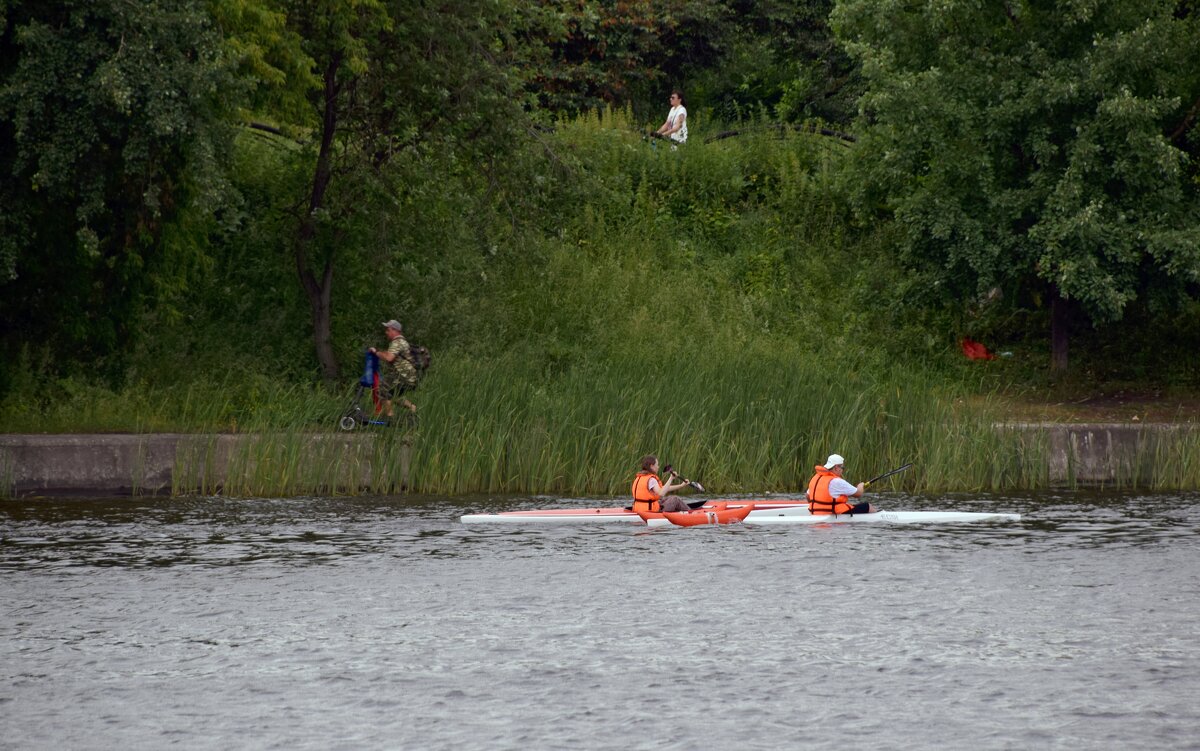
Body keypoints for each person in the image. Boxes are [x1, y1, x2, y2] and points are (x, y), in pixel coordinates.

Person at [368, 319, 418, 418]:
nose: (386, 332)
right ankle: (412, 407)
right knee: (394, 395)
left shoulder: (397, 342)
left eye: (388, 330)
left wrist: (376, 352)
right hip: (409, 376)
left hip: (402, 375)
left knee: (382, 389)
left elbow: (389, 358)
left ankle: (389, 417)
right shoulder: (403, 342)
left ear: (394, 330)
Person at [806, 453, 877, 516]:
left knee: (850, 505)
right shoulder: (837, 481)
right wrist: (860, 486)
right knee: (867, 506)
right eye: (842, 468)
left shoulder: (815, 478)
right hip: (833, 512)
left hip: (815, 512)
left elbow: (807, 496)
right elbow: (858, 494)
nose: (842, 470)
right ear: (836, 467)